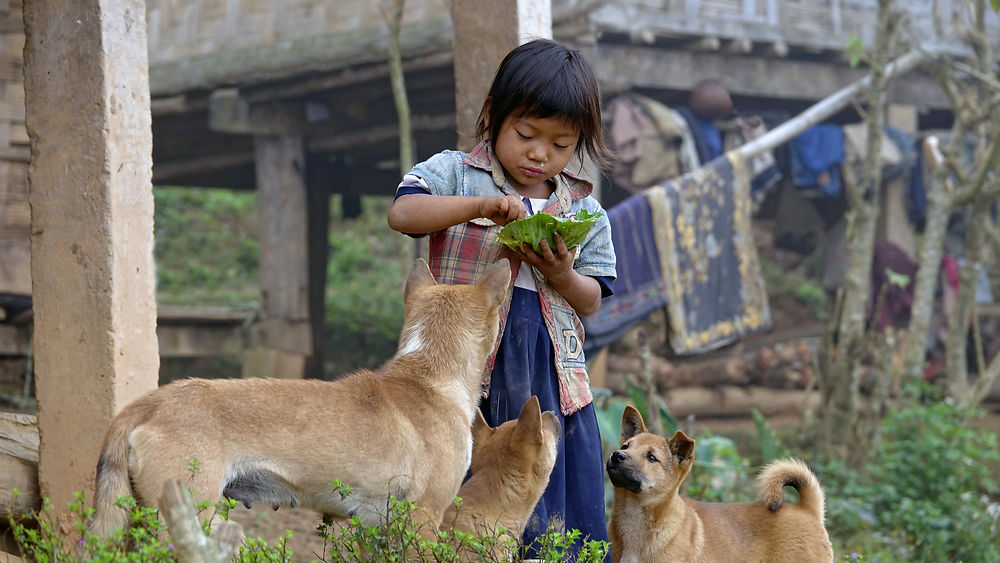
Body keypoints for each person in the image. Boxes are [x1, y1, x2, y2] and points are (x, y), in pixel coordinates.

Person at [387, 38, 617, 557]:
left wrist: (560, 271)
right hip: (466, 363)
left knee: (550, 498)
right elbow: (402, 215)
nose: (540, 154)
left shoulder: (584, 209)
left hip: (549, 369)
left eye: (560, 145)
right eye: (526, 134)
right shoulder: (454, 172)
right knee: (461, 479)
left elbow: (591, 300)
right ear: (493, 116)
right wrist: (482, 204)